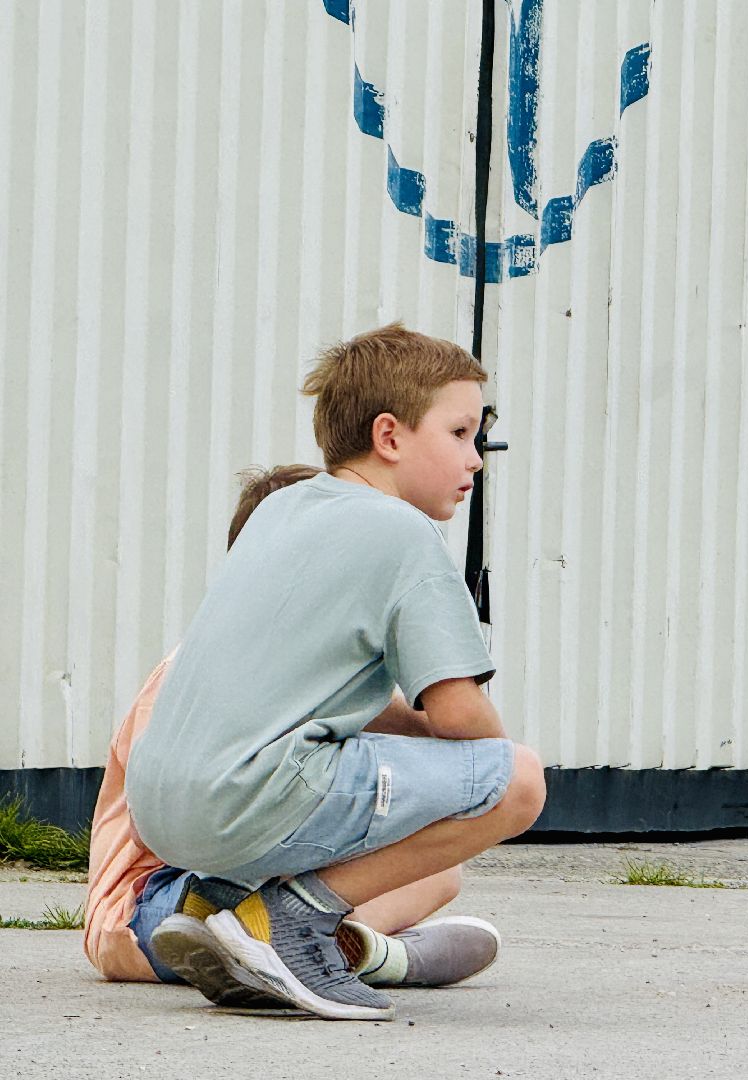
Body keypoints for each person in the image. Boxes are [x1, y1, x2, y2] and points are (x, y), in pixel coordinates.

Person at [124, 324, 546, 1021]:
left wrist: (417, 745)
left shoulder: (280, 511)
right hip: (249, 795)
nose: (476, 458)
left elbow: (307, 689)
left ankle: (217, 906)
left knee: (360, 766)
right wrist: (484, 765)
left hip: (164, 808)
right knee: (518, 781)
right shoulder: (402, 531)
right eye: (461, 432)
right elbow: (459, 716)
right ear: (390, 436)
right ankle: (296, 921)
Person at [84, 464, 498, 1000]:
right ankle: (380, 957)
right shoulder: (192, 674)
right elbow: (174, 814)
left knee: (439, 869)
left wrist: (441, 704)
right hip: (155, 905)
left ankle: (317, 946)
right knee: (361, 865)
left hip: (234, 885)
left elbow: (402, 728)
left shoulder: (312, 674)